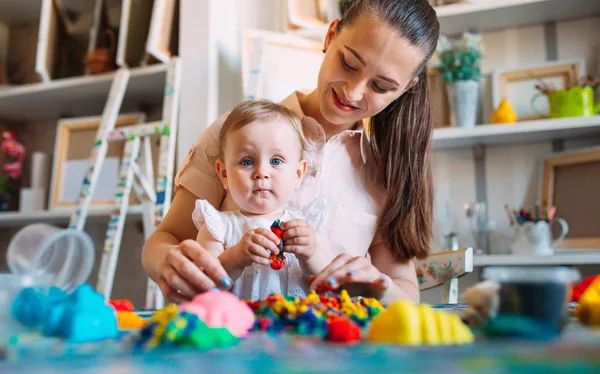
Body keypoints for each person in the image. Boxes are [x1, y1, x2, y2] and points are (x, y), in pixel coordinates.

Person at [142, 0, 440, 305]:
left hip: (332, 342)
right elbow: (163, 240)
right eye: (349, 64)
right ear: (330, 35)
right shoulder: (235, 134)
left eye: (380, 86)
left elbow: (405, 291)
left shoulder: (384, 170)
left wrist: (381, 286)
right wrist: (169, 262)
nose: (352, 92)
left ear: (406, 88)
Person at [193, 99, 329, 300]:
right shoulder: (218, 227)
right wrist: (236, 257)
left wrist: (311, 253)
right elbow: (201, 288)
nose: (262, 172)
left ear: (298, 174)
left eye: (276, 161)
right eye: (247, 162)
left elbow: (331, 283)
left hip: (298, 325)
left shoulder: (308, 226)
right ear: (224, 175)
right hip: (239, 328)